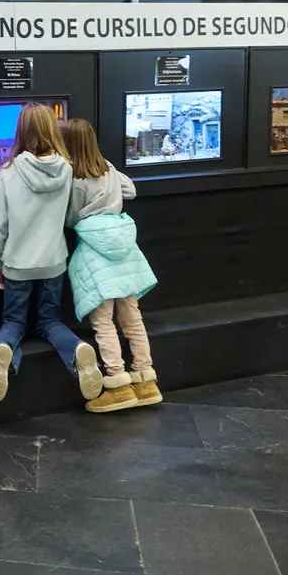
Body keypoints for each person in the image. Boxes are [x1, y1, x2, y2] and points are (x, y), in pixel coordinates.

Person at [0, 103, 103, 403]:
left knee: (13, 323)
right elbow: (69, 217)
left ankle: (4, 352)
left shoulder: (9, 173)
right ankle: (77, 350)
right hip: (53, 262)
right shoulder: (67, 169)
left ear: (20, 131)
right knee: (49, 322)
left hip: (17, 264)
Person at [63, 119, 161, 413]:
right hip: (124, 248)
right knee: (132, 317)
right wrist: (111, 196)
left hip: (95, 252)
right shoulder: (108, 167)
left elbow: (70, 216)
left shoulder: (73, 176)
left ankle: (117, 384)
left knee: (103, 321)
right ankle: (146, 381)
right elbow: (130, 190)